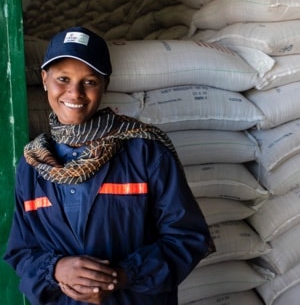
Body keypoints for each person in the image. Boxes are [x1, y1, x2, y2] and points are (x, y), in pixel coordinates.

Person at [3, 26, 214, 304]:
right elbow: (21, 251)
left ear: (106, 84)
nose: (74, 93)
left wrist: (121, 276)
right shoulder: (33, 165)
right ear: (44, 79)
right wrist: (55, 270)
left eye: (89, 81)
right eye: (63, 79)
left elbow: (188, 238)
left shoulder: (145, 152)